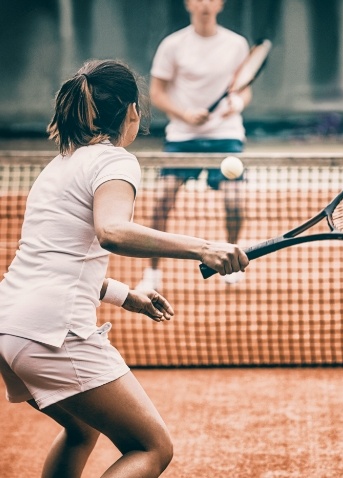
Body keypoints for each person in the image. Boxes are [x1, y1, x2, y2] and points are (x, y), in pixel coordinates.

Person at [0, 59, 248, 478]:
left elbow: (56, 258)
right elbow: (112, 231)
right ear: (132, 111)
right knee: (151, 448)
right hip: (53, 335)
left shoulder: (57, 167)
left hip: (10, 328)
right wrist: (203, 247)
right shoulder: (114, 161)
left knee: (81, 429)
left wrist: (124, 295)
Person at [137, 0, 252, 290]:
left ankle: (232, 258)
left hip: (226, 136)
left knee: (235, 203)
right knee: (161, 203)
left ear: (221, 3)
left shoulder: (237, 44)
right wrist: (184, 114)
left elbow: (243, 88)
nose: (205, 3)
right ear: (188, 3)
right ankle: (152, 272)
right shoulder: (172, 45)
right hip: (183, 138)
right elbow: (157, 92)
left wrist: (236, 103)